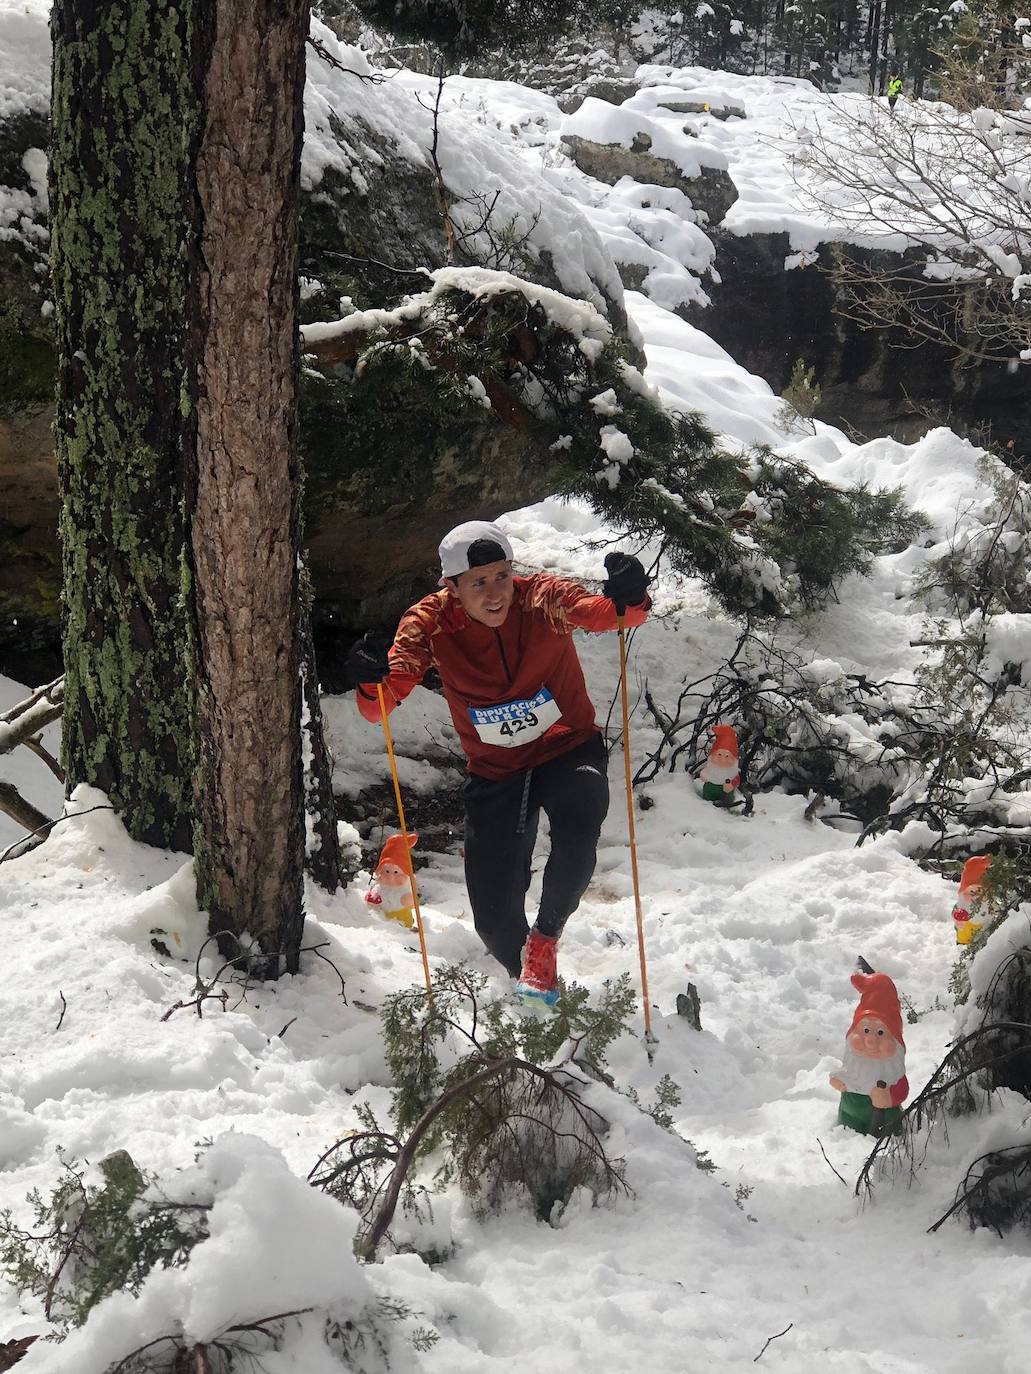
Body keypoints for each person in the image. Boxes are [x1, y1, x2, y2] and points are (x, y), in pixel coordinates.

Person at [347, 519, 650, 1006]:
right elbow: (378, 704)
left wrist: (628, 595)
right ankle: (531, 979)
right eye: (478, 583)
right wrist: (369, 677)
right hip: (495, 770)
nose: (495, 593)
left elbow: (609, 615)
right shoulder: (429, 622)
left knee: (580, 819)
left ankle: (547, 936)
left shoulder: (540, 597)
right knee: (492, 915)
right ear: (452, 587)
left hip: (566, 744)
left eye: (502, 576)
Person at [828, 970, 909, 1136]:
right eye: (865, 1030)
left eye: (880, 1032)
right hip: (849, 1116)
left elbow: (902, 1090)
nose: (870, 1041)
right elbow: (844, 1075)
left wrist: (889, 1097)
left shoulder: (893, 1072)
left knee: (887, 1134)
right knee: (847, 1136)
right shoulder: (853, 1065)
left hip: (885, 1119)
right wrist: (838, 1080)